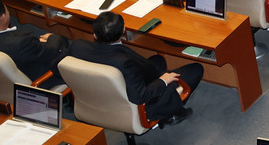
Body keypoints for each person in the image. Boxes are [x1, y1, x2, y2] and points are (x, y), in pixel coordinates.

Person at [70, 10, 202, 123]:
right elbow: (139, 97)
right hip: (139, 102)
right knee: (196, 69)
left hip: (101, 93)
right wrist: (163, 81)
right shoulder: (124, 63)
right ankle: (171, 113)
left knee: (158, 60)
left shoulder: (77, 46)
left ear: (94, 34)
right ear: (123, 31)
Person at [0, 1, 69, 86]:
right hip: (40, 81)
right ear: (3, 16)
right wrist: (53, 37)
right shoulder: (20, 43)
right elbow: (52, 51)